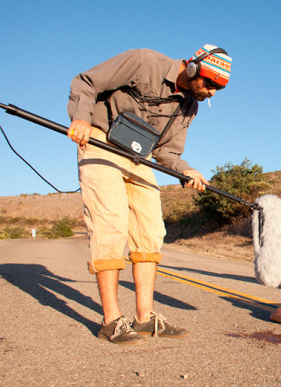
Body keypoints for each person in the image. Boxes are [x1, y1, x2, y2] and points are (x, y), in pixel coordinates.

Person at [66, 45, 232, 344]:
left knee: (151, 231)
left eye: (220, 87)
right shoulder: (144, 62)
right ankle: (111, 321)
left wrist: (186, 170)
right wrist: (80, 118)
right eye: (210, 83)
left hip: (138, 157)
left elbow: (166, 151)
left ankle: (144, 318)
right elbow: (86, 81)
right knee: (111, 226)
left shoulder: (189, 106)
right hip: (102, 141)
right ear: (192, 68)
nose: (212, 93)